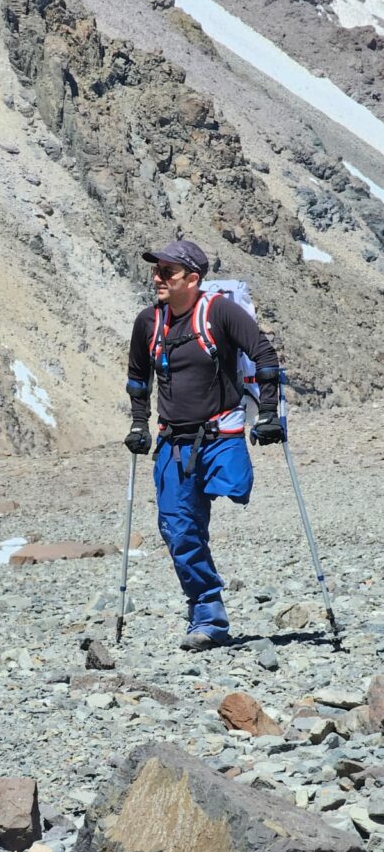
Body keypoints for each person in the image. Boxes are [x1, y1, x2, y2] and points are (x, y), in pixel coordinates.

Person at [124, 240, 284, 651]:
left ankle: (212, 592)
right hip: (172, 444)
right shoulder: (148, 323)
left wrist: (267, 415)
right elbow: (138, 380)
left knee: (232, 491)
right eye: (156, 270)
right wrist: (139, 424)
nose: (157, 278)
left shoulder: (219, 313)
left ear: (192, 279)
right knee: (178, 530)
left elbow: (264, 357)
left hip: (221, 437)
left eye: (167, 272)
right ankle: (207, 612)